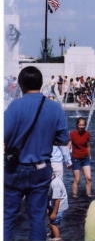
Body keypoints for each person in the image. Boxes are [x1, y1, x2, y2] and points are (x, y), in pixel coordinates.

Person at [4, 66, 69, 241]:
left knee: (8, 217)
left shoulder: (14, 106)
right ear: (41, 84)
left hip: (15, 167)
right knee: (38, 218)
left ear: (20, 84)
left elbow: (4, 135)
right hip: (41, 169)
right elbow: (63, 138)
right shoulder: (55, 108)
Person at [70, 117, 92, 197]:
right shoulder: (72, 134)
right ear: (77, 125)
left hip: (85, 158)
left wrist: (90, 156)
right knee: (77, 179)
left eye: (83, 125)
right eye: (80, 125)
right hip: (75, 159)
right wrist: (68, 160)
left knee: (88, 178)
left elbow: (88, 146)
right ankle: (74, 195)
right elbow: (69, 145)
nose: (81, 126)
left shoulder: (87, 134)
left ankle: (88, 194)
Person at [48, 170, 69, 240]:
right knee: (51, 221)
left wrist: (54, 213)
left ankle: (57, 238)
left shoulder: (55, 184)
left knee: (53, 224)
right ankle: (52, 234)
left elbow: (57, 200)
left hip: (58, 207)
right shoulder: (55, 178)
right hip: (55, 205)